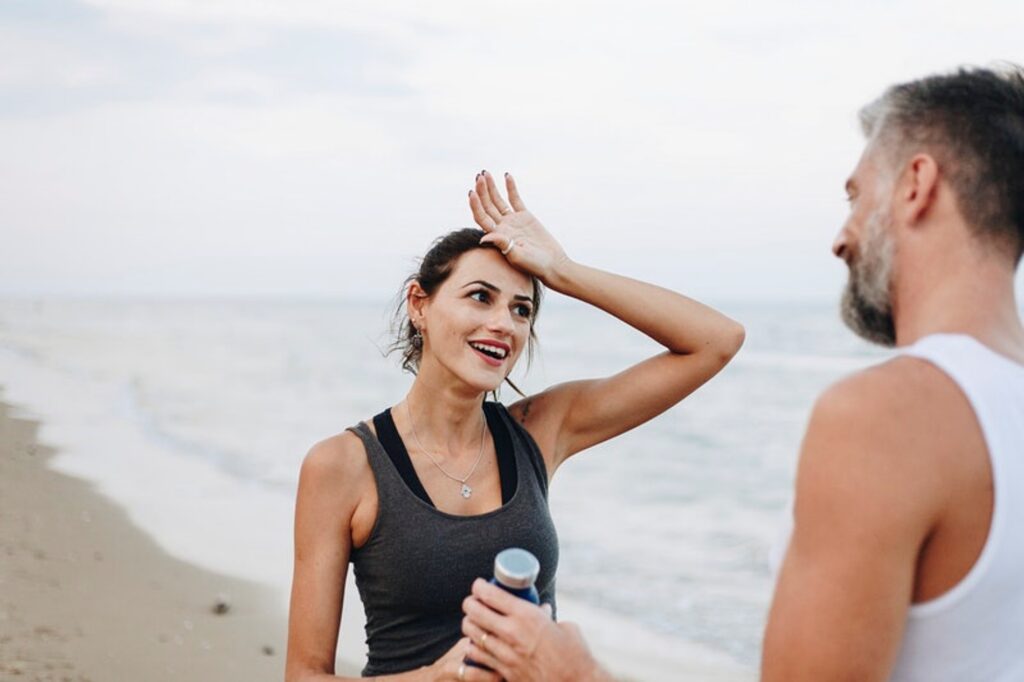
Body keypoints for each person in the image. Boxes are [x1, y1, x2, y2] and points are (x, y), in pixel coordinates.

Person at [461, 64, 1024, 681]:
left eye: (856, 197)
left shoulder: (885, 417)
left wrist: (575, 675)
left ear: (917, 185)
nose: (842, 238)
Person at [285, 170, 745, 681]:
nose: (503, 323)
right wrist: (438, 679)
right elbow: (303, 676)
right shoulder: (342, 465)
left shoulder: (540, 430)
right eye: (480, 296)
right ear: (420, 305)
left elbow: (715, 340)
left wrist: (563, 270)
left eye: (521, 309)